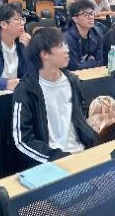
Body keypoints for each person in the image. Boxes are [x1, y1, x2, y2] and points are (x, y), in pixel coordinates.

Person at [12, 27, 97, 167]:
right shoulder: (26, 90)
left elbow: (81, 116)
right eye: (61, 46)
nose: (67, 50)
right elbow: (22, 140)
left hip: (82, 153)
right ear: (44, 54)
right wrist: (56, 158)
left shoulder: (72, 81)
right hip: (51, 161)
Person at [65, 0, 103, 70]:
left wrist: (86, 64)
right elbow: (73, 67)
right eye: (85, 15)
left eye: (92, 13)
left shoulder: (96, 35)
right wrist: (91, 62)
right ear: (75, 19)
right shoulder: (68, 39)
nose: (90, 17)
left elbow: (100, 62)